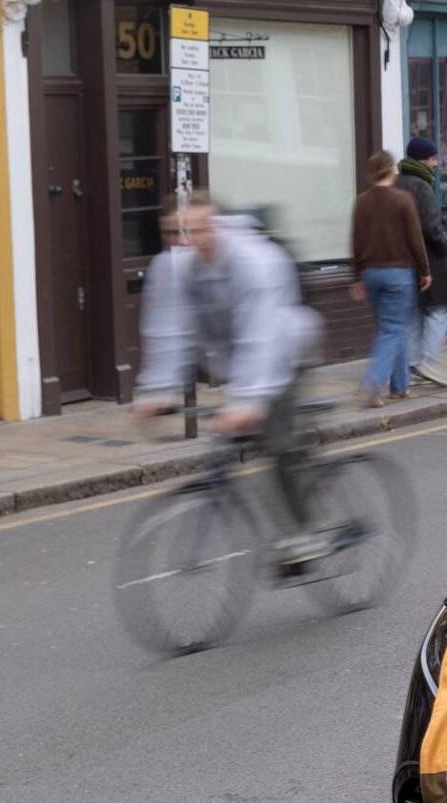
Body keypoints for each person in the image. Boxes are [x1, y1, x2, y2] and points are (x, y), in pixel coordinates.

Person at [136, 193, 325, 564]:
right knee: (231, 443)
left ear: (215, 226)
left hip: (284, 353)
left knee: (280, 443)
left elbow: (261, 333)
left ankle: (306, 533)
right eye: (174, 232)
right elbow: (168, 329)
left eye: (194, 230)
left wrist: (250, 401)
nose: (184, 240)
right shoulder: (175, 267)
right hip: (238, 363)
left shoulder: (253, 260)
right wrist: (157, 390)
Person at [349, 150, 430, 407]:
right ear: (392, 170)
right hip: (398, 273)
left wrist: (356, 276)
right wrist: (425, 270)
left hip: (371, 273)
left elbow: (356, 242)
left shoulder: (361, 201)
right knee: (392, 328)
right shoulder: (402, 199)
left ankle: (400, 386)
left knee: (391, 328)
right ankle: (372, 384)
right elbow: (415, 239)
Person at [396, 137, 447, 388]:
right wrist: (446, 249)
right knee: (438, 310)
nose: (436, 163)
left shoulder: (396, 183)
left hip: (401, 259)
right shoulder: (422, 186)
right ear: (424, 159)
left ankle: (410, 365)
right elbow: (432, 227)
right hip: (429, 258)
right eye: (433, 158)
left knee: (412, 313)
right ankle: (428, 362)